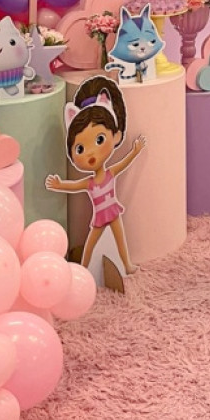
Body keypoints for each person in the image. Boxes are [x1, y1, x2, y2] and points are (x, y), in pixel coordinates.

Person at [45, 76, 146, 275]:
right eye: (80, 149)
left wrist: (135, 151)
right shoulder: (90, 183)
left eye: (99, 139)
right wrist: (59, 185)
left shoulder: (109, 173)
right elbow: (73, 186)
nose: (91, 153)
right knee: (90, 242)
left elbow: (123, 163)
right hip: (99, 216)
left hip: (113, 212)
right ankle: (83, 267)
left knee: (120, 238)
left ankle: (127, 265)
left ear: (115, 136)